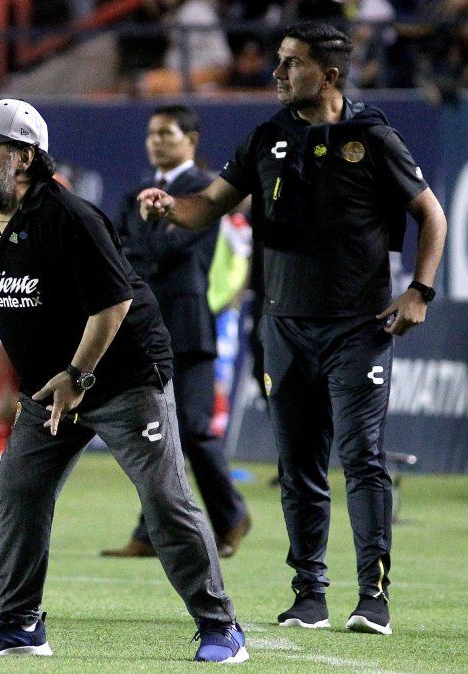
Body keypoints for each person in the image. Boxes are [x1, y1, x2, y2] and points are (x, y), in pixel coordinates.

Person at [0, 98, 248, 663]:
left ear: (25, 158)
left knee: (163, 497)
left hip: (123, 376)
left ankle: (220, 626)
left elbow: (113, 306)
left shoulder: (73, 219)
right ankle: (19, 624)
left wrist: (78, 375)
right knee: (19, 489)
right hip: (49, 389)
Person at [138, 23, 448, 636]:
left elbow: (431, 214)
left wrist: (420, 290)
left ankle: (374, 598)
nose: (277, 74)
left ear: (328, 75)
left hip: (357, 327)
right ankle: (309, 593)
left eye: (291, 64)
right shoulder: (265, 137)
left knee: (362, 459)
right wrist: (173, 208)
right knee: (299, 464)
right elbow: (210, 205)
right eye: (279, 63)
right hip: (283, 325)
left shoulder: (372, 137)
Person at [102, 105, 251, 559]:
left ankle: (230, 516)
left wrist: (144, 244)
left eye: (166, 133)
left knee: (195, 428)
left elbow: (174, 246)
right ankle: (152, 532)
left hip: (187, 326)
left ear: (191, 140)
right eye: (151, 133)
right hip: (144, 329)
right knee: (154, 433)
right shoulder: (134, 196)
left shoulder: (204, 191)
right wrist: (148, 245)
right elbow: (120, 255)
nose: (156, 141)